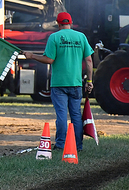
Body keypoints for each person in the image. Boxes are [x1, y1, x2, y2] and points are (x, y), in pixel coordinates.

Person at [23, 12, 94, 151]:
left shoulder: (54, 37)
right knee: (76, 115)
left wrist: (32, 56)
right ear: (71, 23)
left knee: (61, 115)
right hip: (76, 83)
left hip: (59, 84)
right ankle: (78, 146)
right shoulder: (81, 37)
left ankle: (61, 145)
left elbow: (49, 60)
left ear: (58, 23)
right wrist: (89, 80)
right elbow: (89, 60)